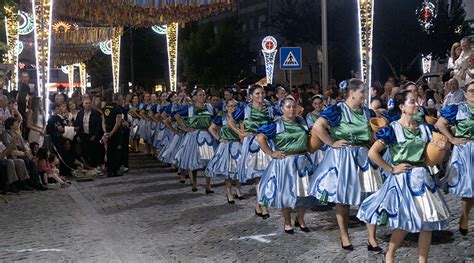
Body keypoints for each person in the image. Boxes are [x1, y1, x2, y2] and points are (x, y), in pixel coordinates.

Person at [357, 90, 450, 263]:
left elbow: (434, 156)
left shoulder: (425, 128)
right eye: (412, 102)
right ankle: (390, 255)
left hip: (423, 179)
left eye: (416, 102)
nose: (416, 105)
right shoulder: (393, 129)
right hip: (403, 180)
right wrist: (391, 169)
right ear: (402, 107)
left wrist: (441, 150)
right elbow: (373, 153)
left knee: (427, 223)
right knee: (405, 223)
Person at [307, 79, 382, 251]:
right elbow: (318, 126)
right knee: (343, 199)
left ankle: (372, 238)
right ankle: (344, 235)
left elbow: (371, 138)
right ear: (352, 93)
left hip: (364, 156)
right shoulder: (337, 110)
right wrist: (331, 142)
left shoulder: (368, 112)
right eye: (362, 91)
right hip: (344, 156)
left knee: (371, 196)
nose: (365, 94)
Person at [257, 97, 317, 234]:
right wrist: (271, 152)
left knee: (305, 193)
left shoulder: (301, 122)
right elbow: (260, 137)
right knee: (286, 193)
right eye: (288, 107)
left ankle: (300, 218)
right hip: (286, 162)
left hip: (302, 160)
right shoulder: (276, 124)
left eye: (294, 107)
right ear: (282, 109)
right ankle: (287, 221)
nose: (291, 109)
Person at [229, 85, 275, 219]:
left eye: (262, 93)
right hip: (252, 144)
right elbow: (231, 121)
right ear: (251, 96)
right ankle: (263, 205)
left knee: (267, 174)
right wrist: (240, 132)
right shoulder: (245, 108)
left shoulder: (270, 108)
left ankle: (258, 204)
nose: (260, 96)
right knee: (258, 175)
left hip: (267, 142)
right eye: (257, 94)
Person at [436, 81, 474, 236]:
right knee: (470, 187)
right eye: (471, 90)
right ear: (465, 94)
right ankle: (464, 216)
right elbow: (440, 124)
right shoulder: (458, 108)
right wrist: (452, 139)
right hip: (465, 150)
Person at [174, 89, 216, 193]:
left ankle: (208, 185)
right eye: (200, 95)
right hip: (194, 136)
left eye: (204, 94)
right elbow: (176, 116)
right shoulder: (190, 108)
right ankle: (194, 182)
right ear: (195, 97)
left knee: (208, 160)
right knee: (194, 160)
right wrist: (185, 128)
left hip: (206, 135)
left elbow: (214, 119)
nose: (202, 97)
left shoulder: (209, 107)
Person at [206, 99, 243, 203]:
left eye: (235, 106)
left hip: (237, 144)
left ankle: (238, 190)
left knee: (239, 168)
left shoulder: (240, 118)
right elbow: (211, 128)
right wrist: (218, 138)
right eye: (230, 106)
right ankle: (229, 192)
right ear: (226, 107)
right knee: (228, 170)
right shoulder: (222, 118)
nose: (233, 108)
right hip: (226, 145)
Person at [75, 97, 103, 168]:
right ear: (83, 104)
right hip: (83, 135)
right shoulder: (80, 114)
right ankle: (86, 165)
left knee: (93, 151)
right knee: (84, 151)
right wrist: (78, 135)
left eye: (89, 103)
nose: (88, 105)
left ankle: (94, 165)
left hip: (92, 135)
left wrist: (95, 135)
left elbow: (98, 125)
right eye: (86, 103)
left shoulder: (95, 113)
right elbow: (77, 125)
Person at [103, 92, 123, 177]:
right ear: (118, 99)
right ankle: (115, 170)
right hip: (115, 133)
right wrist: (111, 133)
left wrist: (105, 132)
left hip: (107, 131)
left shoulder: (105, 108)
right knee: (116, 152)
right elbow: (118, 123)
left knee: (109, 151)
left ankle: (109, 170)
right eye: (121, 99)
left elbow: (103, 121)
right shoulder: (118, 109)